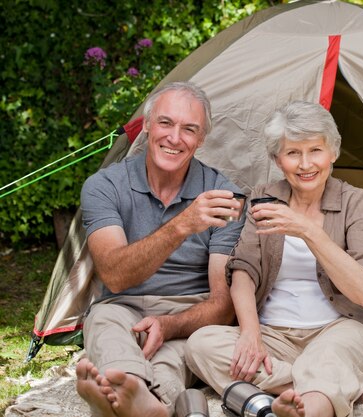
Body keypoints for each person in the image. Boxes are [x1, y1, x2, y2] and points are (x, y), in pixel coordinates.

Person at [185, 101, 363, 417]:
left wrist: (308, 231)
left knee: (327, 358)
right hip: (275, 335)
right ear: (277, 159)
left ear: (333, 153)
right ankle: (346, 390)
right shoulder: (264, 197)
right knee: (200, 345)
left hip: (344, 329)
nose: (305, 164)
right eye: (293, 153)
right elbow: (244, 269)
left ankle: (304, 407)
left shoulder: (356, 202)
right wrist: (250, 332)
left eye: (315, 150)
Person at [75, 81, 245, 417]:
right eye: (165, 123)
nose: (174, 137)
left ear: (201, 140)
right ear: (148, 125)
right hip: (121, 306)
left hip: (188, 314)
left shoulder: (224, 195)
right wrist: (183, 224)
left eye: (189, 129)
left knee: (175, 356)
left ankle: (135, 401)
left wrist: (169, 325)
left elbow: (222, 305)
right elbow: (115, 275)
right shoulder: (105, 186)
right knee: (105, 322)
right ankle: (130, 388)